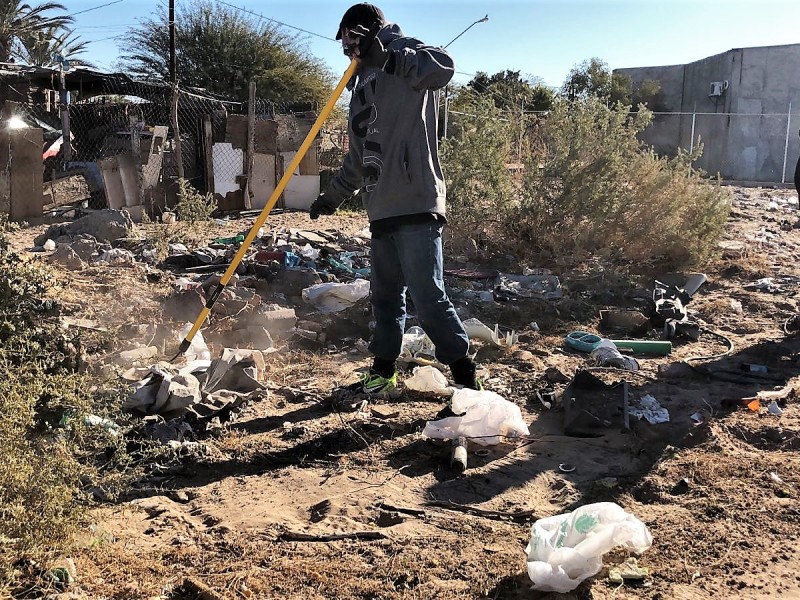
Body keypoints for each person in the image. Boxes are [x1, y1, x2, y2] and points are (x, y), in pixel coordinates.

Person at [310, 3, 480, 398]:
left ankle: (465, 376)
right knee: (385, 298)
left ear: (364, 32)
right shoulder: (358, 87)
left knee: (428, 295)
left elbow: (444, 67)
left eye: (350, 40)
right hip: (380, 207)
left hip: (417, 200)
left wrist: (388, 55)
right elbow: (358, 157)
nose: (346, 49)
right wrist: (331, 198)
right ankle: (383, 370)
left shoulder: (405, 56)